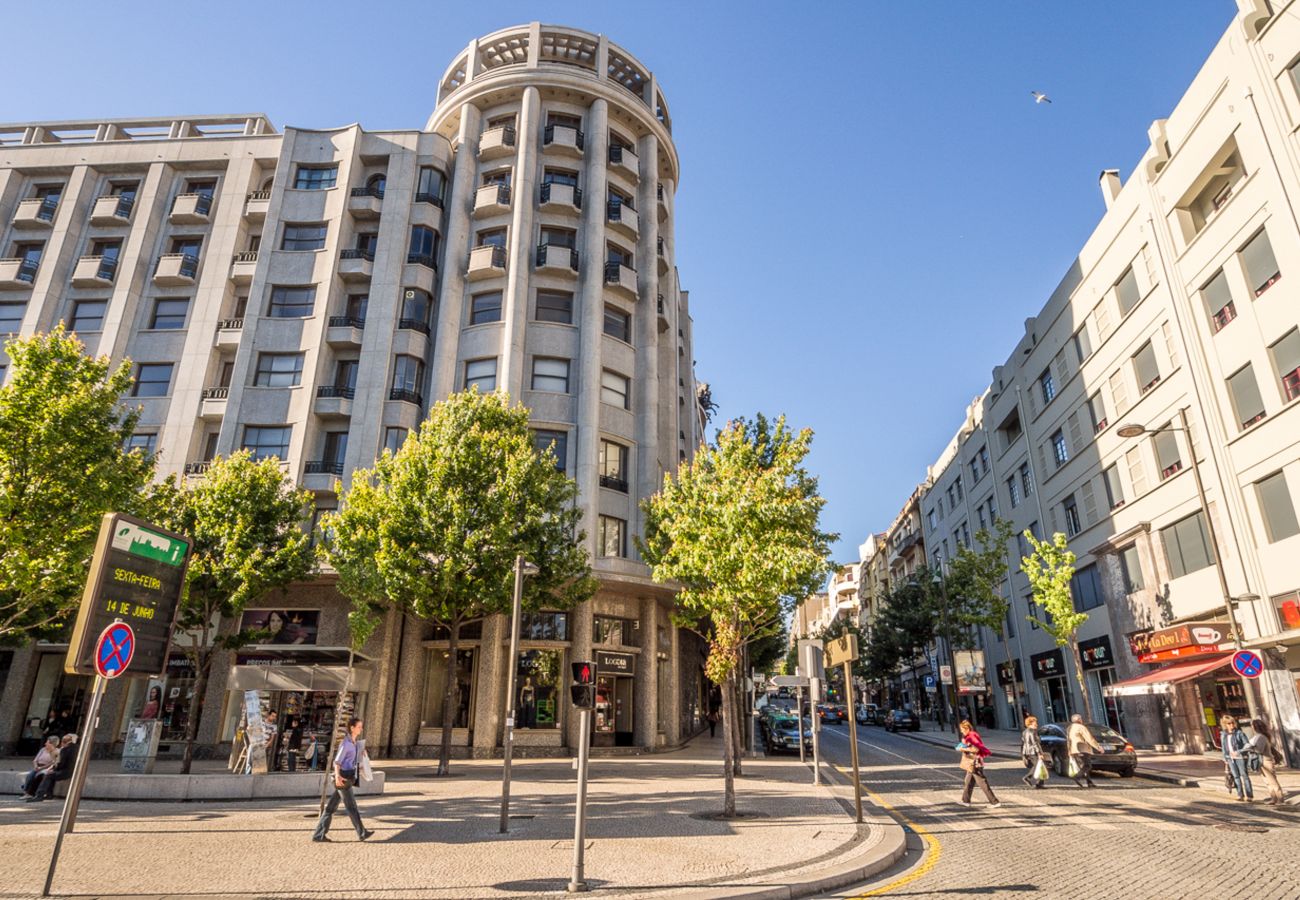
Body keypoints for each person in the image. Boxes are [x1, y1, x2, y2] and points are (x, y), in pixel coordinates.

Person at [312, 718, 374, 842]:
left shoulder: (355, 743)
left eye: (361, 727)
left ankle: (318, 835)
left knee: (331, 808)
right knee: (351, 806)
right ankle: (362, 833)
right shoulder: (345, 743)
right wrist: (337, 776)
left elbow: (352, 760)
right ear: (352, 727)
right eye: (359, 727)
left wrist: (361, 753)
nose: (361, 729)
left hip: (348, 776)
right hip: (343, 778)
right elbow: (337, 762)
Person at [956, 720, 1001, 807]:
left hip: (975, 763)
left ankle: (995, 802)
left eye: (962, 729)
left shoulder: (972, 736)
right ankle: (965, 801)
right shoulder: (970, 736)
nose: (961, 731)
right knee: (968, 782)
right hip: (972, 763)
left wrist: (962, 749)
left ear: (967, 728)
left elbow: (975, 749)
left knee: (982, 783)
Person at [26, 733, 78, 802]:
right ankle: (49, 794)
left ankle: (39, 795)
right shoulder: (77, 748)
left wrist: (54, 769)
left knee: (48, 775)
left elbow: (61, 763)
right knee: (50, 775)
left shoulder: (65, 749)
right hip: (73, 770)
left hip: (66, 771)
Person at [1249, 718, 1285, 806]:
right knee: (1267, 781)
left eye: (1252, 726)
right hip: (1262, 761)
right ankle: (1274, 798)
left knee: (1272, 780)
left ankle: (1280, 798)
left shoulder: (1261, 737)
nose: (1251, 727)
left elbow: (1259, 750)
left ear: (1255, 727)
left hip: (1266, 760)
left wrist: (1250, 748)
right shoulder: (1260, 736)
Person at [1221, 715, 1254, 802]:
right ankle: (1240, 795)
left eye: (1232, 723)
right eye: (1229, 723)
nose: (1231, 725)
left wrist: (1238, 751)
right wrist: (1225, 759)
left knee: (1245, 776)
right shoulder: (1224, 734)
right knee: (1236, 776)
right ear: (1225, 725)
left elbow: (1247, 745)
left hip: (1240, 758)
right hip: (1230, 758)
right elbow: (1224, 747)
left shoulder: (1239, 733)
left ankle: (1249, 795)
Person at [1066, 714, 1101, 788]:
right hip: (1082, 749)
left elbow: (1068, 740)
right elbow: (1089, 738)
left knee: (1083, 766)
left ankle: (1089, 782)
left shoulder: (1069, 728)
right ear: (1079, 720)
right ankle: (1077, 777)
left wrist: (1069, 750)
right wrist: (1098, 747)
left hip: (1074, 750)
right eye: (1081, 719)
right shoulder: (1081, 727)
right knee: (1087, 766)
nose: (1082, 720)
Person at [1020, 715, 1048, 789]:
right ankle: (1028, 778)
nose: (1037, 724)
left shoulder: (1024, 732)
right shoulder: (1032, 732)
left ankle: (1039, 783)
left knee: (1038, 766)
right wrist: (1039, 753)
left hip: (1027, 751)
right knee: (1039, 766)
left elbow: (1023, 742)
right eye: (1035, 723)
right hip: (1033, 751)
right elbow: (1035, 743)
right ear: (1030, 724)